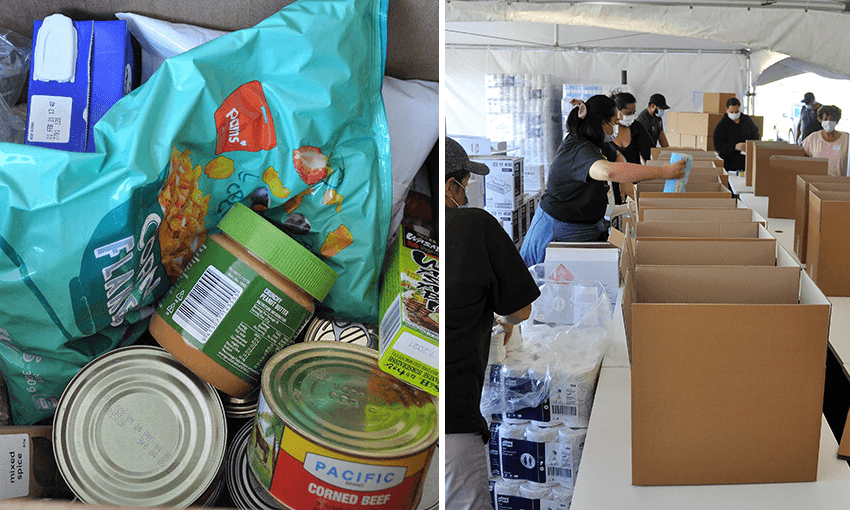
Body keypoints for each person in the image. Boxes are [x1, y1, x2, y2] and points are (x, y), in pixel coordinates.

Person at [445, 137, 541, 510]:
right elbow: (520, 312)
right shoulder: (476, 224)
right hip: (455, 413)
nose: (467, 191)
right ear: (452, 184)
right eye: (466, 182)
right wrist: (499, 317)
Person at [520, 95, 686, 267]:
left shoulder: (594, 141)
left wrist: (626, 182)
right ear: (602, 123)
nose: (616, 127)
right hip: (558, 231)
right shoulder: (579, 149)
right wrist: (663, 172)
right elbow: (609, 172)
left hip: (584, 228)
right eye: (614, 122)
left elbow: (617, 156)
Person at [609, 91, 654, 204]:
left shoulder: (637, 128)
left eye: (633, 113)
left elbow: (648, 156)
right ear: (617, 111)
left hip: (633, 183)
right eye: (628, 113)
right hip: (611, 185)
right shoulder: (607, 130)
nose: (631, 116)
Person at [712, 97, 761, 174]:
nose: (734, 114)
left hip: (746, 163)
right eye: (732, 112)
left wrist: (749, 145)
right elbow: (718, 145)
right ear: (726, 110)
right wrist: (734, 147)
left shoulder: (747, 120)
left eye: (736, 111)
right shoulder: (722, 125)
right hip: (729, 165)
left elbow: (756, 135)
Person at [802, 105, 849, 177]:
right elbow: (802, 159)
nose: (829, 122)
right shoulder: (812, 138)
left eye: (832, 119)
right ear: (820, 120)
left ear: (837, 121)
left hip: (841, 183)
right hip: (817, 183)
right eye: (825, 119)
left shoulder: (846, 139)